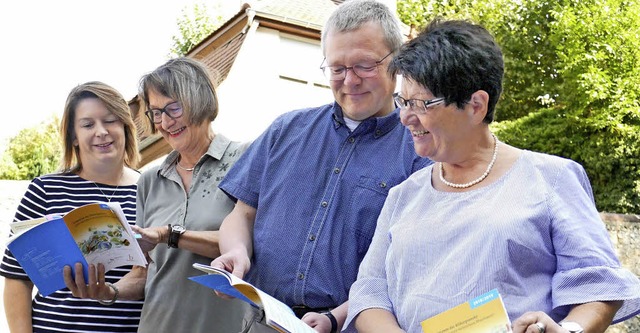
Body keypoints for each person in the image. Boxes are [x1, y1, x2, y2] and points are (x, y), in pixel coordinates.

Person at [344, 18, 640, 333]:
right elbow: (370, 290)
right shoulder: (403, 196)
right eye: (403, 102)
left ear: (476, 105)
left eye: (420, 104)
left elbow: (599, 287)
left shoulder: (551, 179)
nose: (405, 117)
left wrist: (567, 330)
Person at [210, 1, 432, 332]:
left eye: (364, 65)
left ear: (396, 62)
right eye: (337, 68)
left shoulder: (420, 150)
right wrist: (236, 253)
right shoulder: (285, 130)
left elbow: (411, 265)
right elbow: (241, 215)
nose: (350, 80)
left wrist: (337, 315)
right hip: (262, 323)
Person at [63, 57, 253, 332]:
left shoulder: (245, 160)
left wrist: (169, 234)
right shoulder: (150, 180)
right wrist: (109, 293)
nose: (164, 122)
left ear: (200, 101)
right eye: (156, 113)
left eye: (173, 109)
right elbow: (144, 272)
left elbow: (252, 246)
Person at [0, 81, 143, 332]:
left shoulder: (151, 189)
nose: (101, 131)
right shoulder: (45, 190)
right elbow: (16, 279)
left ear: (125, 126)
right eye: (88, 124)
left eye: (110, 120)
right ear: (74, 137)